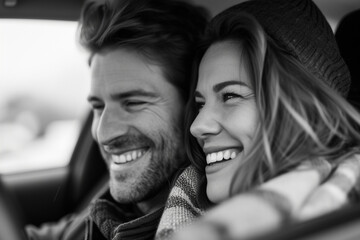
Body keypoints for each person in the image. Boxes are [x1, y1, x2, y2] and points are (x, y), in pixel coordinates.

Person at [156, 0, 360, 239]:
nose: (197, 126)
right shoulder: (186, 196)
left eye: (230, 96)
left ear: (304, 109)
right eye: (200, 104)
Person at [25, 0, 209, 239]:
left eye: (133, 103)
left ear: (193, 108)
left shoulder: (207, 227)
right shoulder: (109, 205)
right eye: (98, 106)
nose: (104, 134)